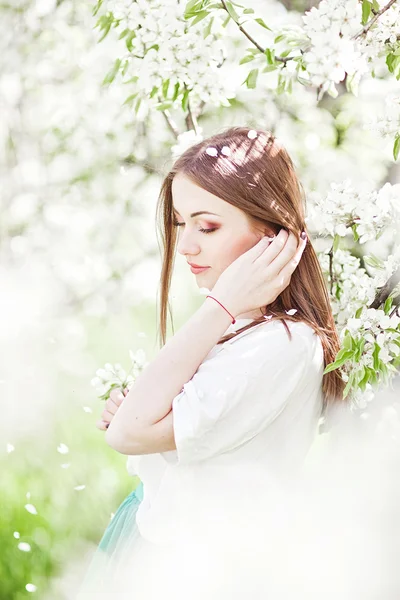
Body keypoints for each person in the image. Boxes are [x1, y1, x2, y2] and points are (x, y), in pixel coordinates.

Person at [76, 126, 345, 599]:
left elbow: (127, 435)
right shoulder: (236, 330)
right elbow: (153, 427)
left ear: (271, 231)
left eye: (208, 226)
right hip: (161, 543)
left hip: (205, 570)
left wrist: (218, 305)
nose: (185, 246)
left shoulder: (281, 344)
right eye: (182, 223)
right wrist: (144, 406)